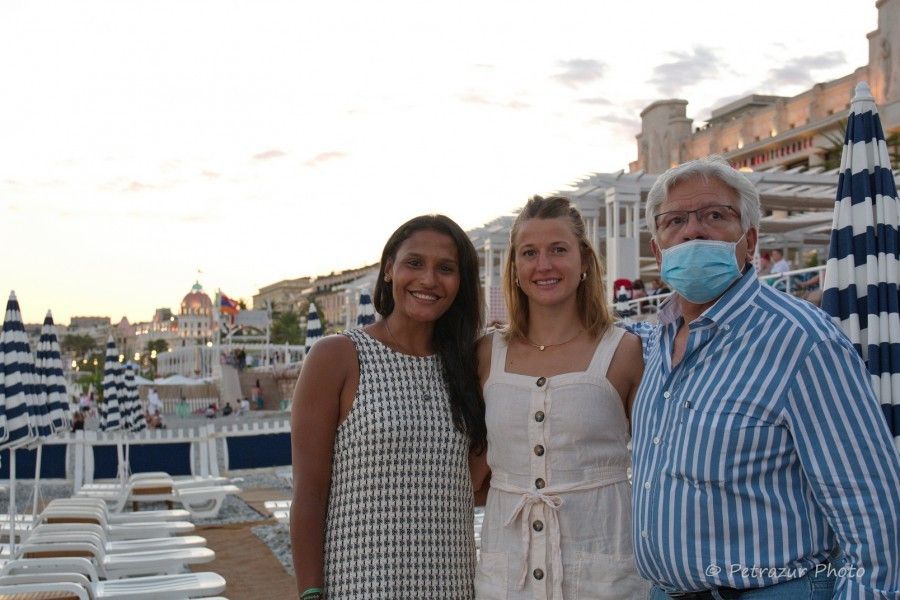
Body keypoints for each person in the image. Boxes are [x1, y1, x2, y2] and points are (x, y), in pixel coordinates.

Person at [630, 155, 900, 599]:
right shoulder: (656, 342)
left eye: (715, 216)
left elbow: (873, 513)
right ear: (658, 249)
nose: (692, 230)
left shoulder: (803, 343)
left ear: (749, 241)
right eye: (674, 220)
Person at [290, 214, 485, 599]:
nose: (429, 279)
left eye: (446, 268)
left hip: (452, 585)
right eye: (414, 263)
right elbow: (309, 494)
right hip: (360, 587)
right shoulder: (338, 356)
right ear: (388, 271)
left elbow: (475, 486)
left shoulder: (470, 369)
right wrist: (310, 594)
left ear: (460, 283)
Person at [470, 196, 648, 599]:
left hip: (604, 577)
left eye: (558, 250)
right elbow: (472, 466)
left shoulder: (623, 351)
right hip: (506, 579)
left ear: (584, 259)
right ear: (514, 267)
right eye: (529, 253)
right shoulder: (486, 354)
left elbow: (658, 466)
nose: (543, 265)